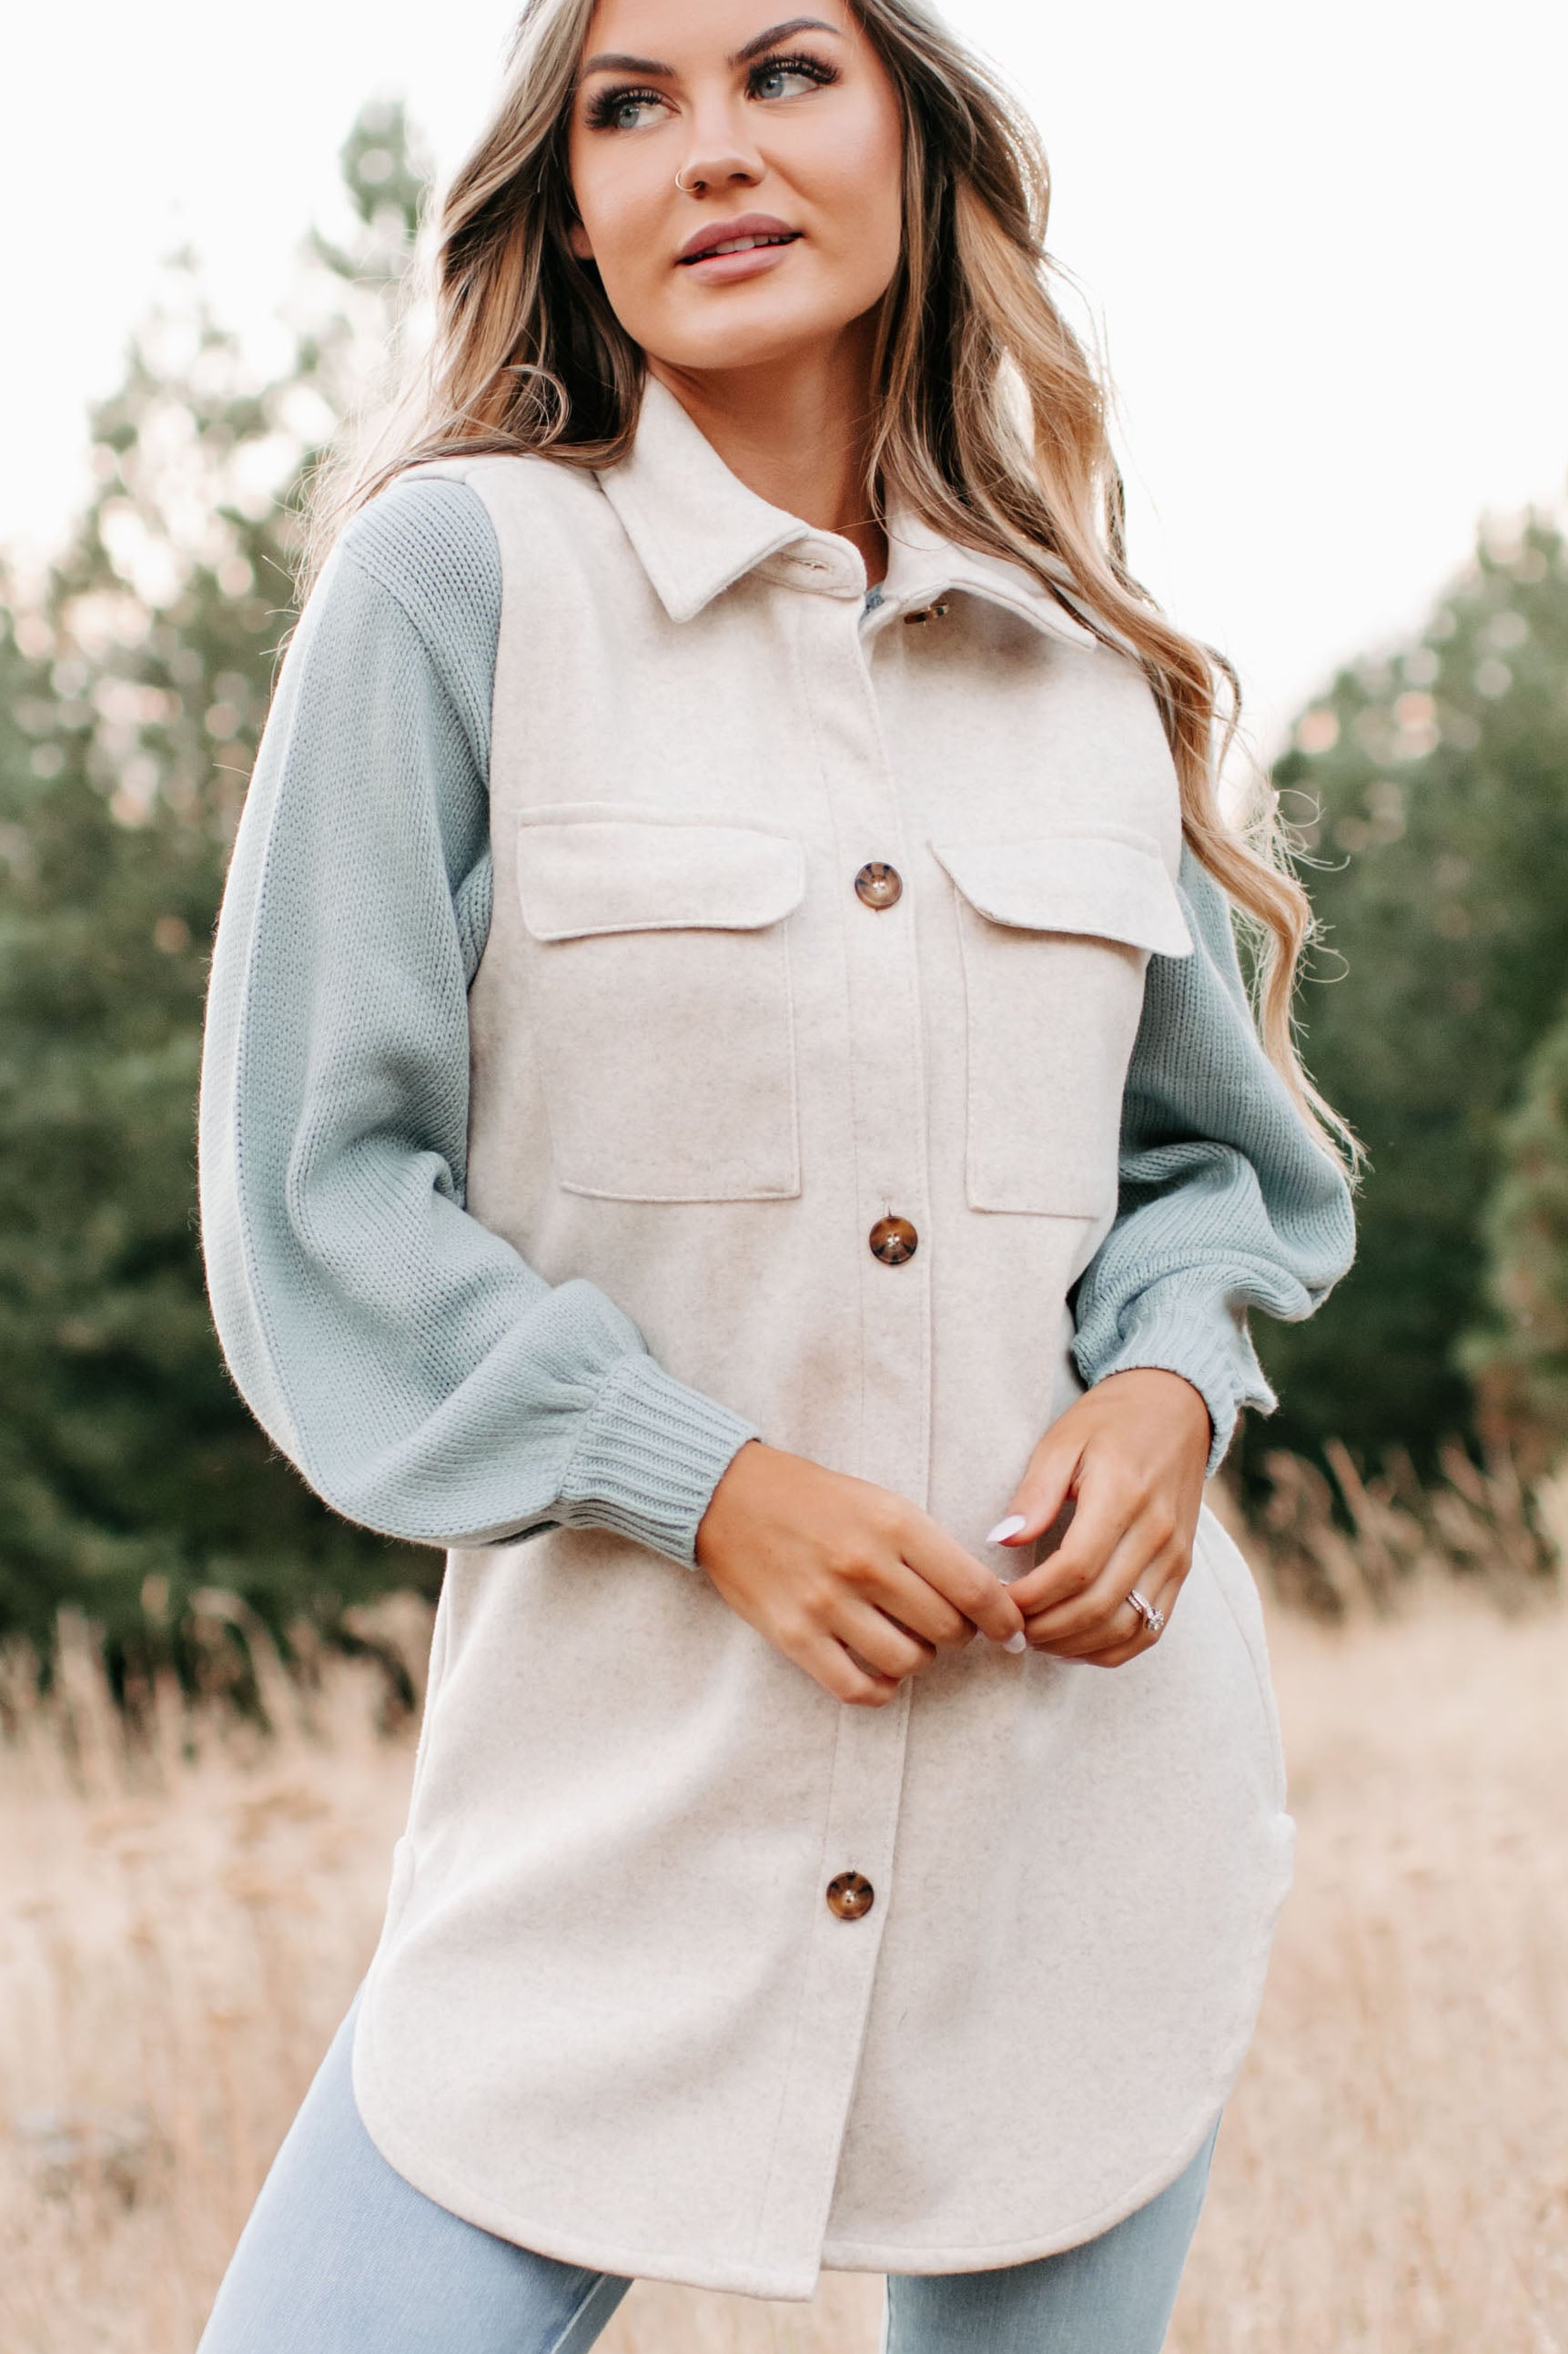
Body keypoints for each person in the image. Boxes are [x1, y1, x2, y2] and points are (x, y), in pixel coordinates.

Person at [194, 2, 1357, 2347]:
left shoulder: (1077, 662)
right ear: (568, 202)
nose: (710, 150)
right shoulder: (454, 587)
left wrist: (1168, 1388)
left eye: (786, 72)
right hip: (611, 1809)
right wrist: (705, 1483)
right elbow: (323, 1196)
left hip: (1075, 1826)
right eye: (631, 106)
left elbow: (1207, 1169)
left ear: (916, 129)